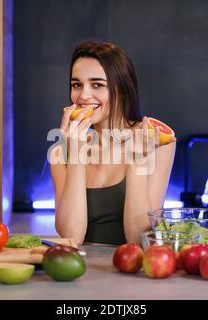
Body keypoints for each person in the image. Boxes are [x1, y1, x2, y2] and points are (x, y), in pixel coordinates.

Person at [49, 41, 176, 245]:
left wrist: (136, 160)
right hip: (79, 270)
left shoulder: (154, 142)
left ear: (122, 89)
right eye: (76, 85)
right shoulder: (60, 152)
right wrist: (76, 154)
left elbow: (139, 239)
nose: (83, 95)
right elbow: (71, 237)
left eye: (97, 84)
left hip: (132, 271)